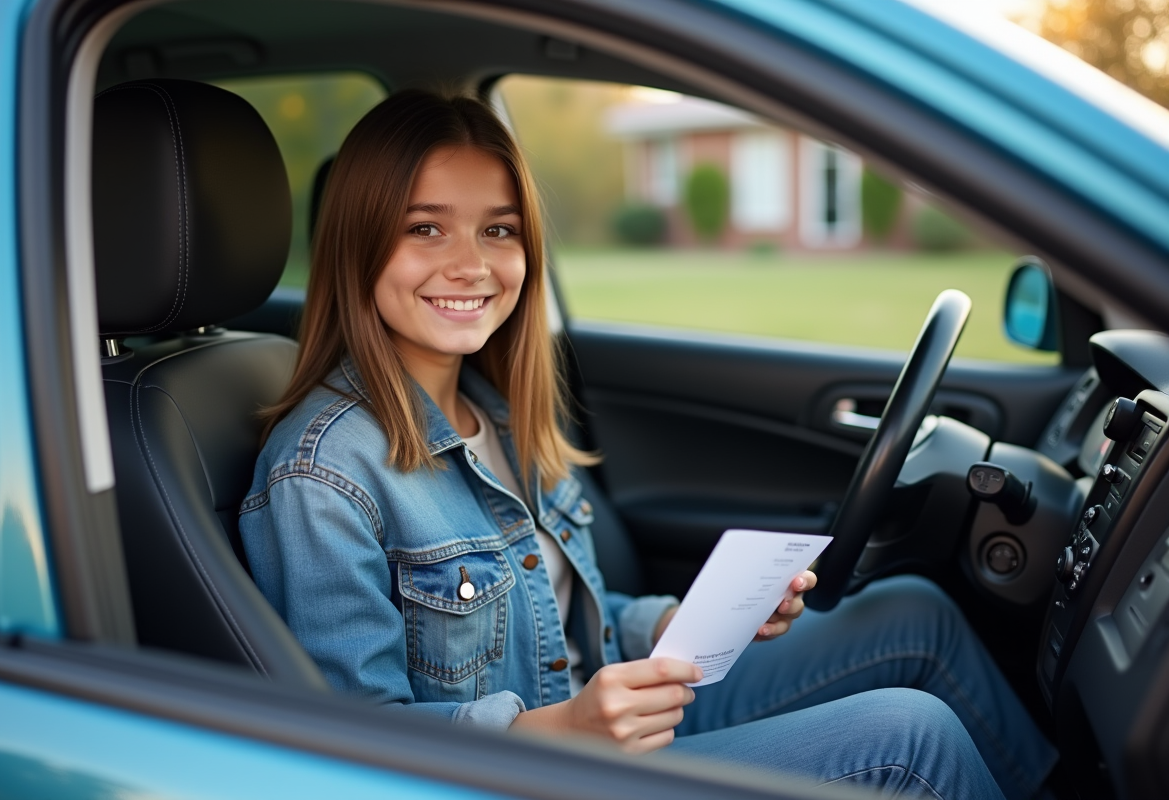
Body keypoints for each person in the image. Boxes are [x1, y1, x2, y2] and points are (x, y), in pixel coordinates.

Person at [239, 90, 1056, 799]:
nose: (473, 266)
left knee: (916, 612)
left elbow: (555, 622)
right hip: (527, 778)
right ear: (357, 241)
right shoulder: (323, 475)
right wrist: (558, 733)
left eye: (499, 231)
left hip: (601, 718)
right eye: (426, 228)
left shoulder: (492, 409)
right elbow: (357, 747)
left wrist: (678, 625)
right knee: (909, 739)